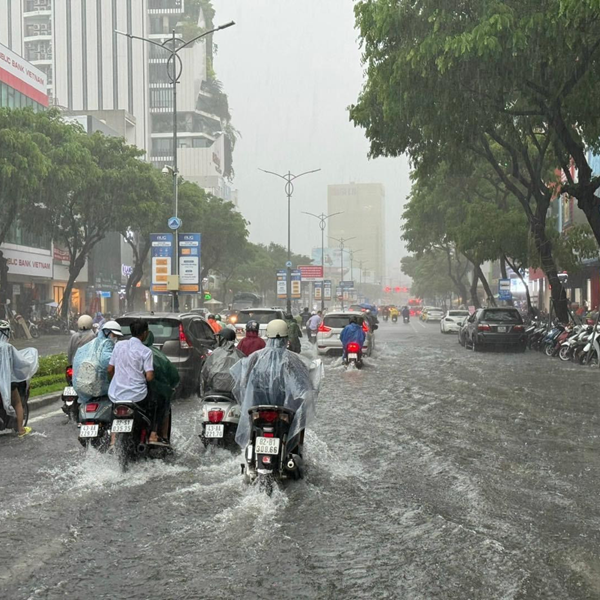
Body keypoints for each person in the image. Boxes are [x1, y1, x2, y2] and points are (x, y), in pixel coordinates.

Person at [231, 319, 323, 454]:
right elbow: (303, 387)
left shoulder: (255, 357)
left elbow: (242, 380)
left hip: (258, 408)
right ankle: (295, 451)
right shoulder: (293, 359)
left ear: (268, 336)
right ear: (286, 338)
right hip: (284, 410)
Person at [107, 319, 162, 446]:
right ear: (145, 333)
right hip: (138, 395)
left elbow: (110, 369)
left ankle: (112, 441)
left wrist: (115, 380)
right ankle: (153, 435)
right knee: (156, 402)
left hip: (117, 394)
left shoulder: (119, 345)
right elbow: (149, 376)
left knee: (113, 412)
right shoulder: (146, 351)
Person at [0, 320, 38, 437]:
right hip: (8, 383)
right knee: (17, 403)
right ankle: (21, 429)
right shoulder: (7, 347)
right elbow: (20, 361)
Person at [143, 329, 180, 445]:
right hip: (150, 394)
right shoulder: (157, 355)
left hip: (125, 392)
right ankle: (160, 435)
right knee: (164, 404)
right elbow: (173, 375)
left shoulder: (125, 351)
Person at [73, 320, 123, 405]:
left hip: (84, 389)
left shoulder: (94, 343)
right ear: (107, 332)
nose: (116, 338)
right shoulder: (108, 343)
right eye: (115, 335)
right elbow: (106, 362)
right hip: (101, 388)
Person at [201, 328, 245, 396]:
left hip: (215, 390)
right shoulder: (240, 354)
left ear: (222, 339)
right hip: (234, 393)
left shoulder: (215, 353)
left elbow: (205, 372)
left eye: (219, 337)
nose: (217, 339)